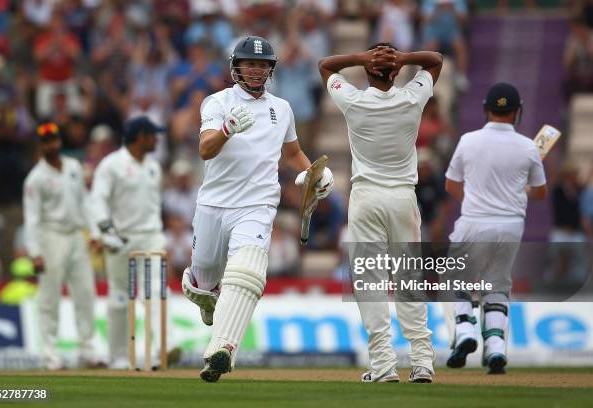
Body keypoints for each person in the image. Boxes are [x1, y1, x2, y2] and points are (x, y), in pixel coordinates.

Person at [181, 35, 333, 383]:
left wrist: (314, 176)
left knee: (247, 272)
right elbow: (205, 150)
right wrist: (226, 129)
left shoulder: (281, 108)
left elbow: (293, 153)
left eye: (262, 65)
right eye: (249, 63)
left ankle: (223, 349)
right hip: (213, 204)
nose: (256, 70)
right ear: (236, 67)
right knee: (202, 280)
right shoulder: (217, 102)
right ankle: (207, 298)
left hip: (257, 203)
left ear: (271, 69)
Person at [319, 44, 443, 383]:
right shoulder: (412, 98)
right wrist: (404, 59)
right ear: (397, 72)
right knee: (409, 278)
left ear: (368, 71)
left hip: (366, 199)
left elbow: (326, 66)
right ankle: (422, 362)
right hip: (403, 198)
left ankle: (383, 366)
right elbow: (435, 61)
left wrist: (360, 58)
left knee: (369, 280)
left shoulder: (354, 101)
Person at [443, 83, 547, 374]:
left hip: (474, 221)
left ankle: (464, 332)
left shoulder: (468, 140)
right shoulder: (528, 147)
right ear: (517, 112)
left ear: (486, 109)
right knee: (497, 286)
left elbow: (451, 185)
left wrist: (477, 198)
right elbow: (540, 193)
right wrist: (519, 189)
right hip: (510, 226)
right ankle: (496, 347)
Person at [23, 122, 101, 370]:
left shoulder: (73, 167)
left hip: (76, 235)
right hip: (50, 237)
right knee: (49, 297)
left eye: (54, 139)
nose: (52, 144)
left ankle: (87, 350)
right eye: (46, 141)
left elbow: (85, 203)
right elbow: (31, 219)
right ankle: (49, 353)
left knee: (85, 293)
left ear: (59, 140)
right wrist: (35, 252)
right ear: (40, 145)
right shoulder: (35, 179)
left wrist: (95, 233)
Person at [89, 116, 166, 370]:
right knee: (119, 296)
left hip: (151, 236)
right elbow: (97, 200)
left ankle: (160, 350)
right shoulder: (111, 165)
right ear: (140, 137)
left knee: (155, 289)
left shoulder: (153, 166)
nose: (157, 139)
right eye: (153, 135)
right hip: (120, 240)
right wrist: (104, 232)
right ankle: (119, 355)